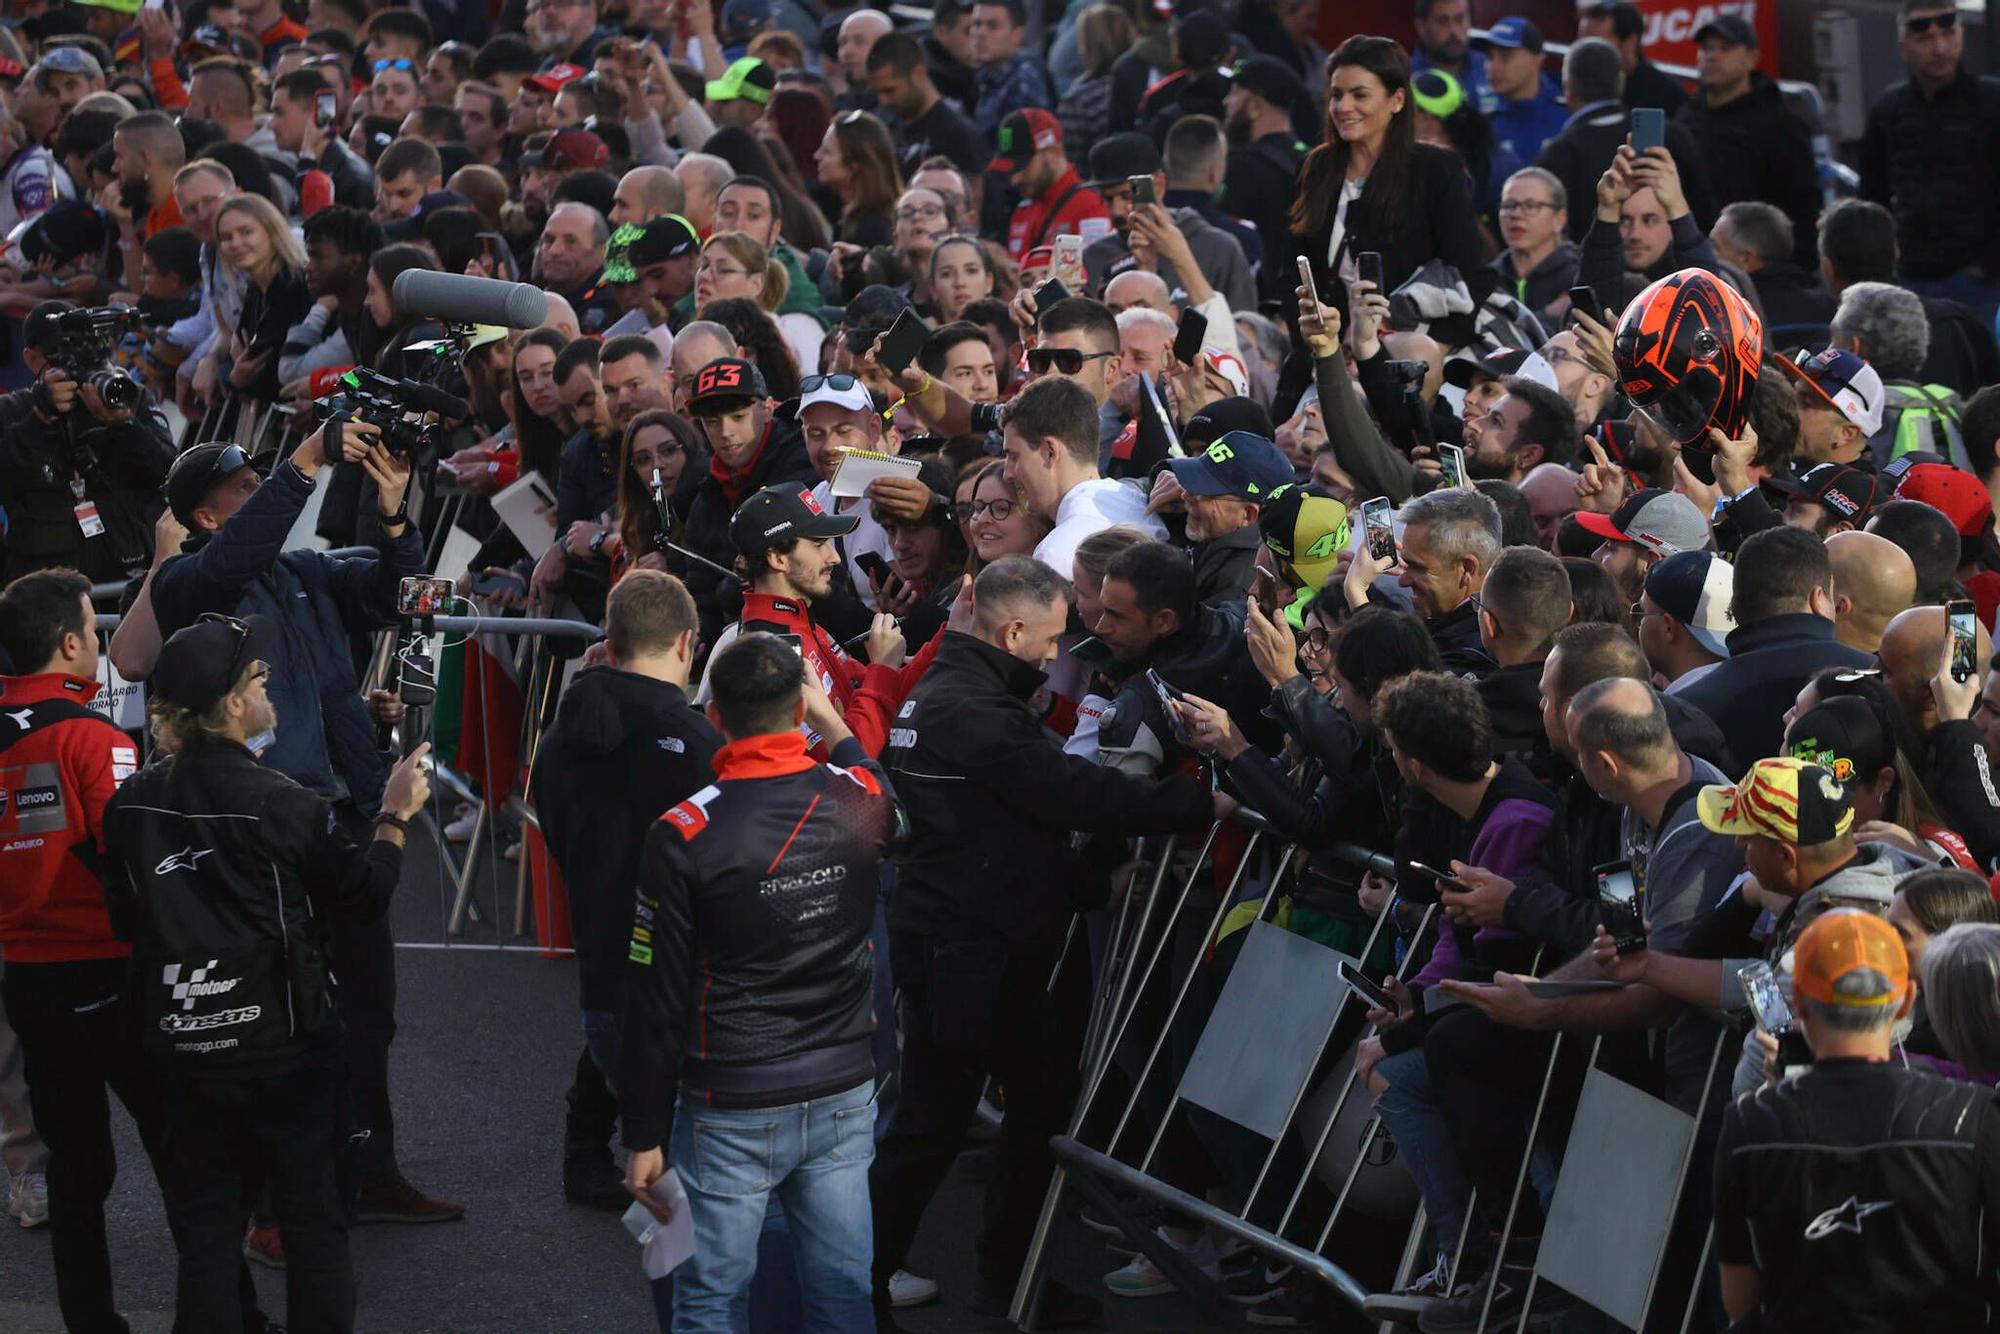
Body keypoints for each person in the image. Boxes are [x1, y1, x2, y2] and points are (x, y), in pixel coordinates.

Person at [870, 556, 1229, 1325]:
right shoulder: (974, 712)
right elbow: (1070, 793)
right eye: (1052, 638)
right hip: (971, 948)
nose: (1060, 653)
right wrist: (1195, 801)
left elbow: (999, 832)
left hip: (967, 936)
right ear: (1013, 631)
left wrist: (1088, 888)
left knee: (998, 1105)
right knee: (938, 1121)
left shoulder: (947, 695)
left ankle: (1001, 1278)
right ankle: (887, 1281)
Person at [150, 419, 460, 1224]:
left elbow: (407, 593)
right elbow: (232, 559)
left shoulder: (307, 575)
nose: (265, 495)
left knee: (367, 1009)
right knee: (281, 1027)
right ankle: (272, 1211)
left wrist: (394, 513)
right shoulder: (191, 583)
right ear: (208, 517)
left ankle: (371, 1167)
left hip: (344, 812)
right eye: (243, 490)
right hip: (260, 828)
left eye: (265, 483)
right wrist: (308, 459)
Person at [101, 613, 434, 1331]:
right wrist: (394, 817)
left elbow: (128, 922)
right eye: (256, 676)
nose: (267, 682)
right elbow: (365, 895)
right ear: (230, 706)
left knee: (208, 1240)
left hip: (182, 1054)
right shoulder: (283, 801)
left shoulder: (130, 805)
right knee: (314, 1229)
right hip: (285, 1051)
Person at [621, 631, 900, 1331]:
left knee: (714, 1299)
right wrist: (833, 724)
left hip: (732, 1099)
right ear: (801, 707)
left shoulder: (683, 832)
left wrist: (644, 1136)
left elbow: (655, 1000)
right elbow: (883, 790)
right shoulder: (864, 800)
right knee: (841, 1294)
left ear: (714, 717)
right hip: (842, 1090)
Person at [1712, 908, 2000, 1329]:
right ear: (1906, 1003)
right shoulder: (1975, 1117)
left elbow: (1740, 1301)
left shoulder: (1748, 1125)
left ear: (1800, 1008)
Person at [532, 571, 721, 1212]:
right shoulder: (700, 743)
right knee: (673, 1128)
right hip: (678, 962)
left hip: (603, 943)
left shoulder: (560, 735)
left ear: (608, 645)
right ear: (688, 644)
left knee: (615, 1036)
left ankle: (587, 1155)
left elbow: (550, 823)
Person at [0, 570, 156, 1331]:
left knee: (75, 1167)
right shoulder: (98, 736)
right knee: (187, 1146)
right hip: (106, 966)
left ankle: (90, 1322)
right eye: (95, 631)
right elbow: (127, 849)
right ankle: (228, 1312)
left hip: (26, 978)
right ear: (69, 645)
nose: (97, 643)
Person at [1294, 35, 1482, 306]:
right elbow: (1292, 272)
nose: (1343, 107)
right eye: (1337, 95)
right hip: (1328, 341)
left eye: (1359, 95)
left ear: (1397, 100)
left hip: (1415, 335)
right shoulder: (1313, 169)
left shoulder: (1437, 169)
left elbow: (1466, 273)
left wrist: (1434, 345)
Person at [0, 302, 178, 586]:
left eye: (97, 352)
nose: (84, 365)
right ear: (32, 360)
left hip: (132, 577)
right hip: (50, 593)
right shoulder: (11, 412)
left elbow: (171, 473)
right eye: (66, 356)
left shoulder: (131, 398)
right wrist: (39, 418)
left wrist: (122, 423)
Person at [1858, 0, 2000, 323]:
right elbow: (1872, 197)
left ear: (1961, 36)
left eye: (1948, 33)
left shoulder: (1991, 104)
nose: (1939, 48)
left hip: (1983, 282)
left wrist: (1989, 264)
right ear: (1903, 47)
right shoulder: (1888, 110)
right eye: (1924, 38)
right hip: (1910, 278)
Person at [1676, 16, 1819, 267]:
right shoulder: (1686, 117)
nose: (1712, 56)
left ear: (1752, 58)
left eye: (1725, 48)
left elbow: (1804, 205)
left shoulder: (1780, 124)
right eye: (1706, 48)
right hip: (1694, 260)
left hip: (1760, 266)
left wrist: (1798, 272)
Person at [1001, 374, 1166, 579]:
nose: (1007, 473)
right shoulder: (1141, 506)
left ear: (1049, 452)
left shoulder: (1058, 552)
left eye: (1014, 456)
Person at [988, 109, 1108, 263]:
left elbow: (1095, 276)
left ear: (1052, 151)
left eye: (1023, 167)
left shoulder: (1090, 208)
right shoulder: (1022, 211)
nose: (1015, 179)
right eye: (1011, 170)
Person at [866, 32, 984, 180]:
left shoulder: (957, 135)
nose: (883, 101)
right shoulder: (887, 130)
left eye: (889, 90)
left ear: (918, 74)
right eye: (877, 92)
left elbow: (972, 199)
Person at [1489, 167, 1577, 323]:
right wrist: (1547, 315)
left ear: (1559, 219)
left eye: (1531, 206)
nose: (1516, 214)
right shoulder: (1487, 279)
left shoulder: (1578, 278)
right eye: (1509, 205)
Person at [1475, 18, 1565, 165]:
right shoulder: (1482, 121)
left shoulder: (1566, 115)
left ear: (1536, 61)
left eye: (1505, 57)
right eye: (1489, 57)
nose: (1493, 66)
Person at [1576, 1, 1687, 116]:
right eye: (1581, 42)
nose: (1584, 52)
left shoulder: (1666, 95)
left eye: (1596, 44)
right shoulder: (1575, 88)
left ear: (1630, 43)